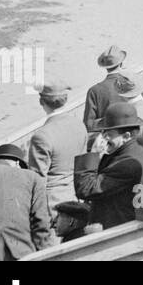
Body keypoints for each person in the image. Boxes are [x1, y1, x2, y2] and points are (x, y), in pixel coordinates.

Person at [73, 102, 143, 231]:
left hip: (118, 230)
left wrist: (93, 154)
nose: (103, 137)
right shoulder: (135, 152)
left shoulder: (128, 163)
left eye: (108, 133)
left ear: (126, 136)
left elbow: (85, 189)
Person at [27, 82, 86, 213]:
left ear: (41, 101)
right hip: (78, 194)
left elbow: (37, 179)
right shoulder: (78, 124)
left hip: (54, 202)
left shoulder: (42, 135)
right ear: (66, 99)